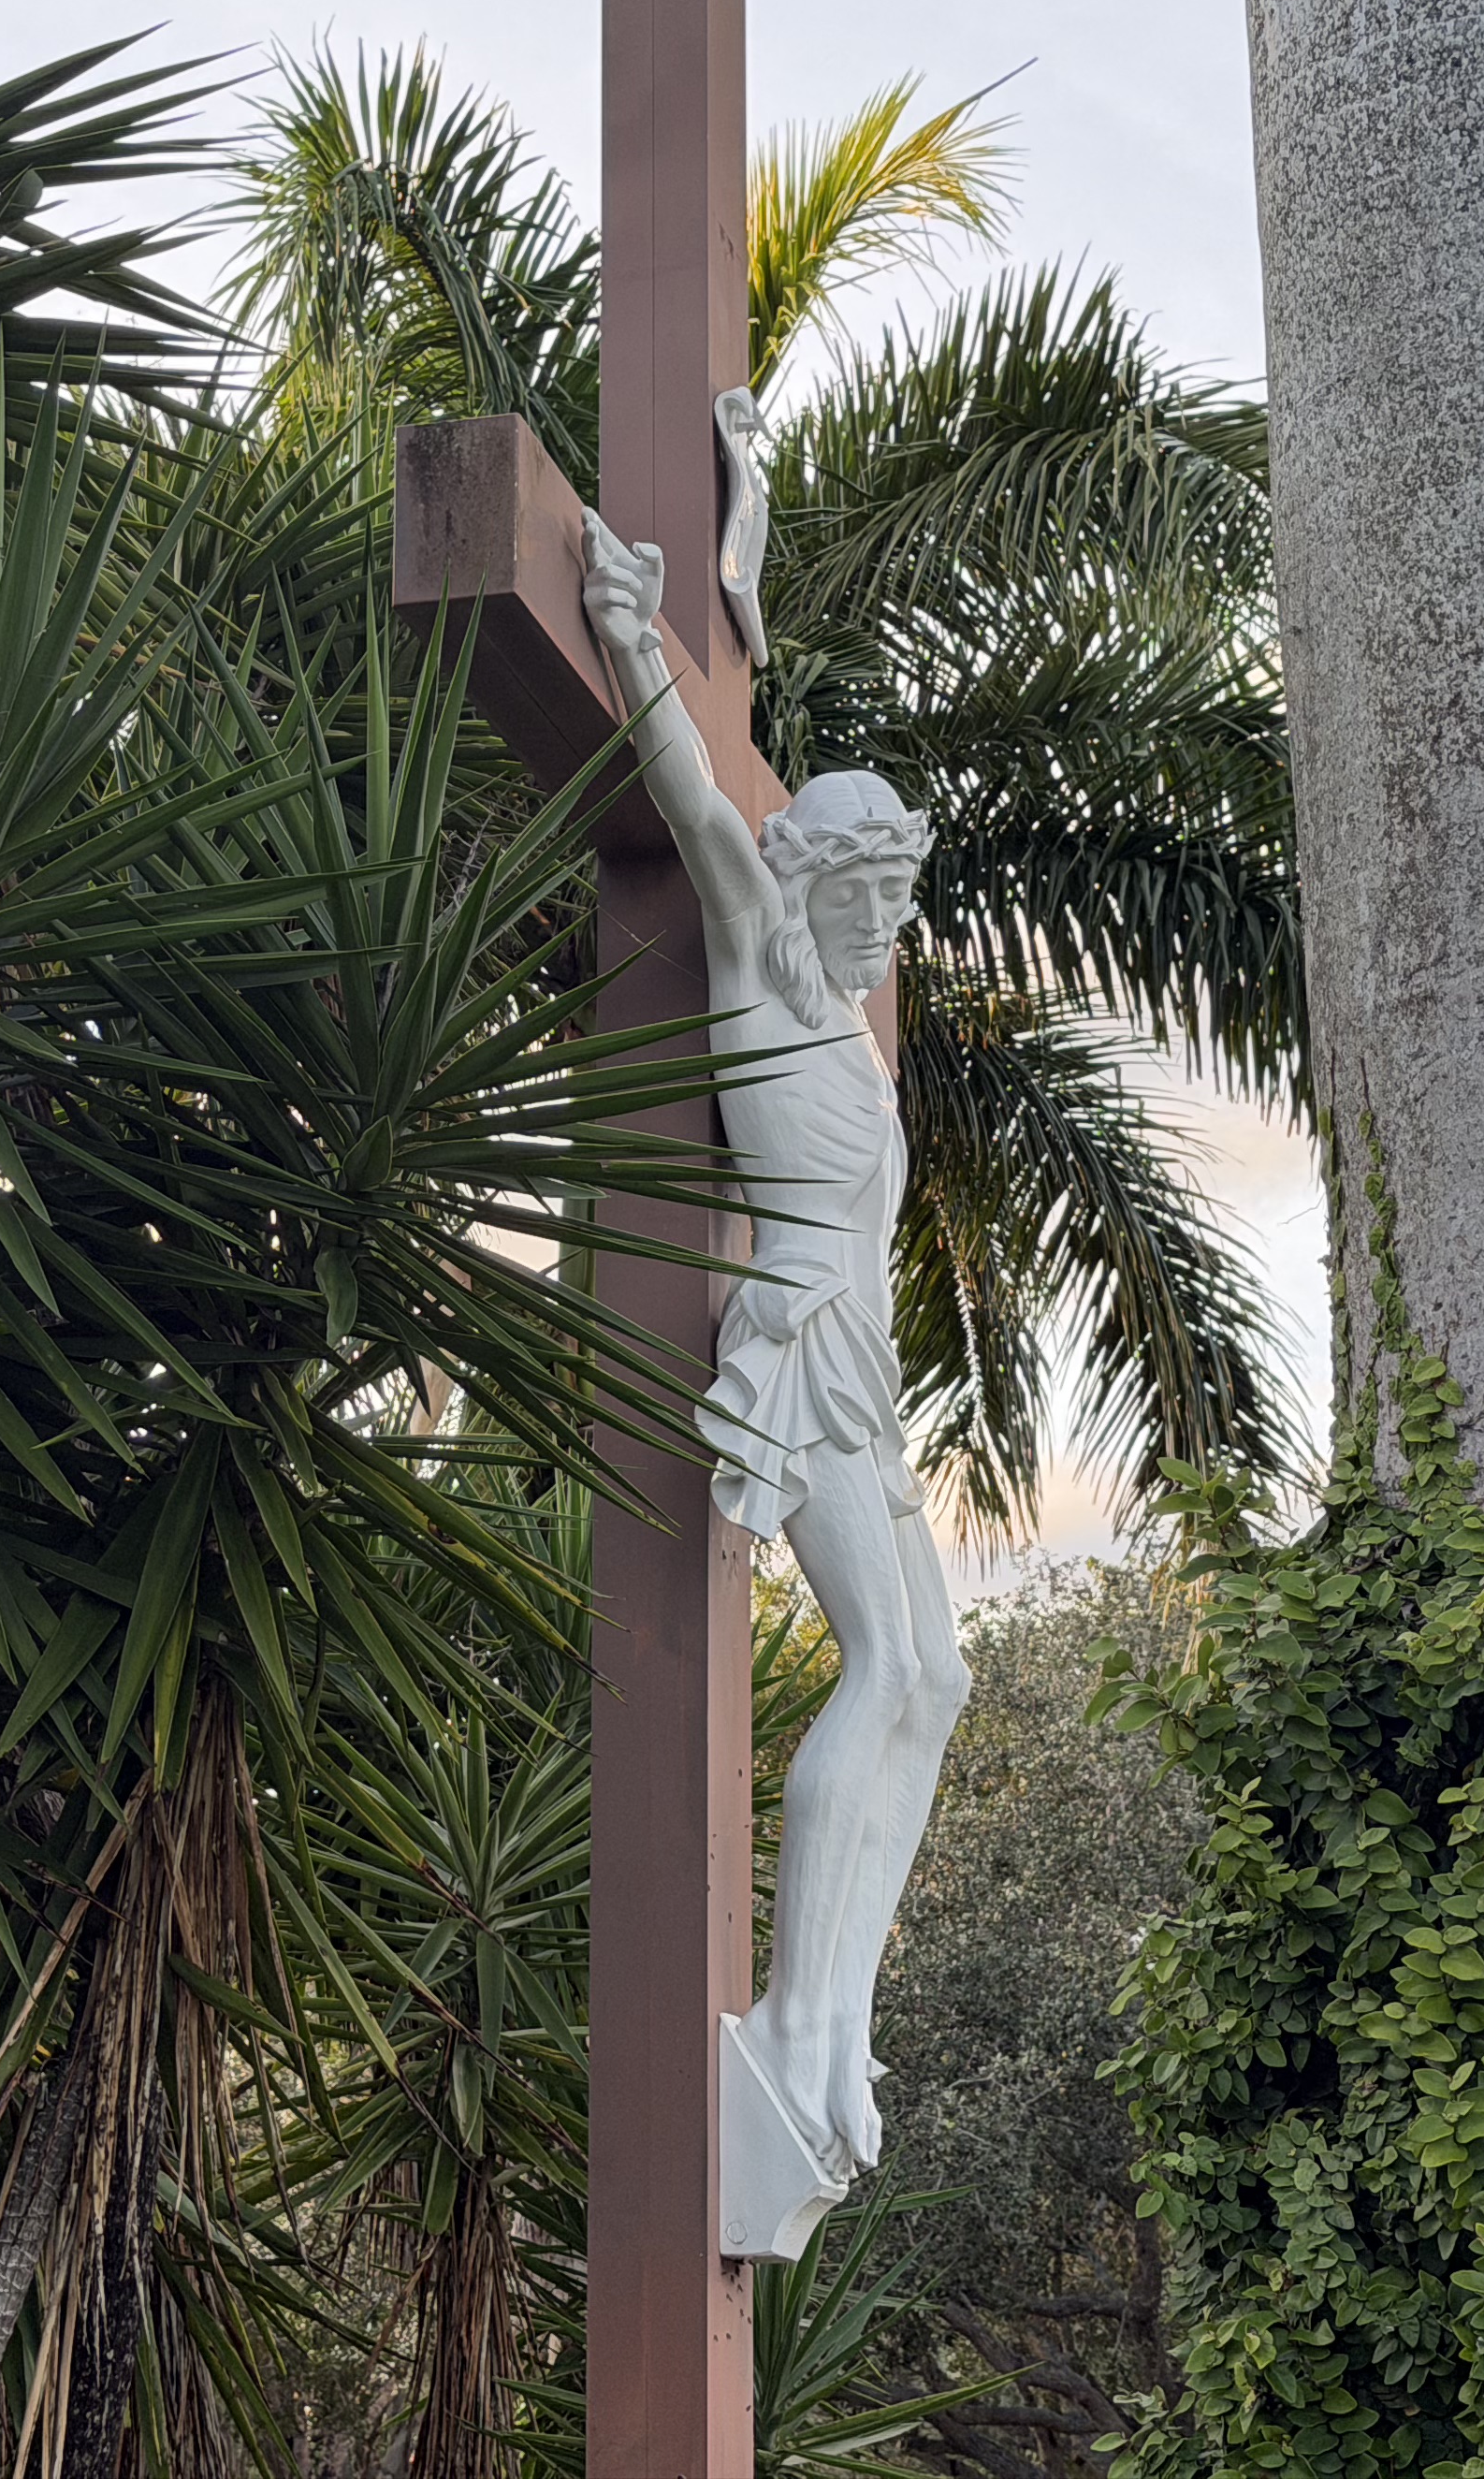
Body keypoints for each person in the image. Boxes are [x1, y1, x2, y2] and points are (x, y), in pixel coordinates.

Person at [580, 510, 968, 2185]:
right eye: (864, 896)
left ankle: (842, 2011)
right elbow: (693, 798)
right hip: (794, 1345)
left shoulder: (857, 1038)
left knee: (941, 1678)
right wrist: (629, 634)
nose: (882, 929)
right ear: (809, 880)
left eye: (899, 902)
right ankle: (797, 2014)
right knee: (882, 1663)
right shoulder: (756, 958)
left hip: (863, 1367)